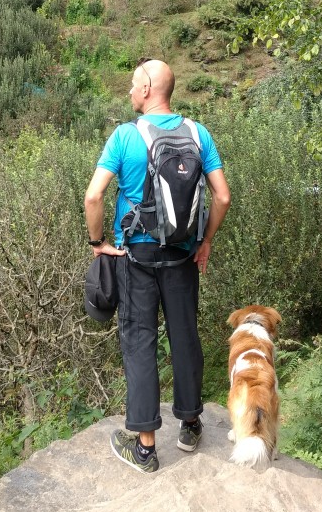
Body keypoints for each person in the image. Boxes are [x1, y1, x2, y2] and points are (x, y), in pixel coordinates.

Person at [84, 58, 231, 474]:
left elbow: (93, 197)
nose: (130, 91)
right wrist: (205, 242)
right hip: (183, 255)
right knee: (185, 336)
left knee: (139, 342)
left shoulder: (125, 136)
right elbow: (222, 197)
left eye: (133, 84)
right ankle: (190, 424)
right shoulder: (198, 134)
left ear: (148, 88)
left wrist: (98, 243)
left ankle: (145, 449)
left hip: (136, 257)